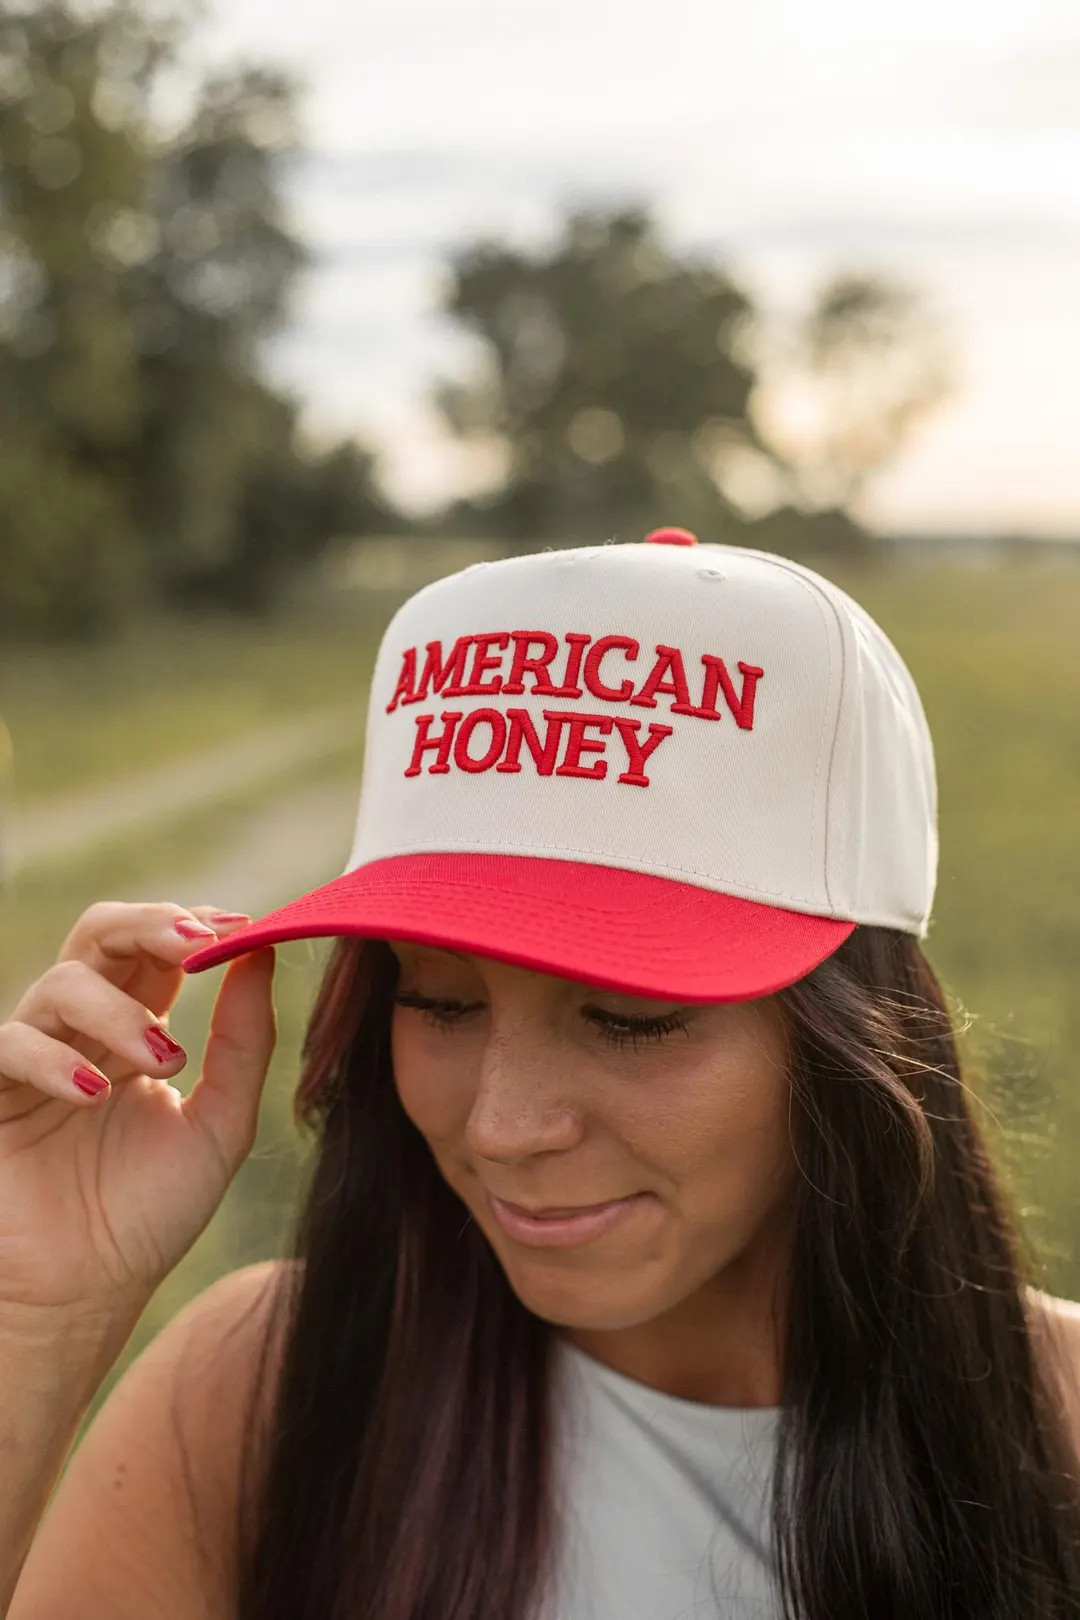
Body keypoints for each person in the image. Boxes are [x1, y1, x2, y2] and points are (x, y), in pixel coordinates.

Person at [2, 529, 1079, 1620]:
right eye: (439, 1000)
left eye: (628, 1018)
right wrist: (34, 1323)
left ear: (857, 1036)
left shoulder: (1063, 1437)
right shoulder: (258, 1394)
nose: (503, 1128)